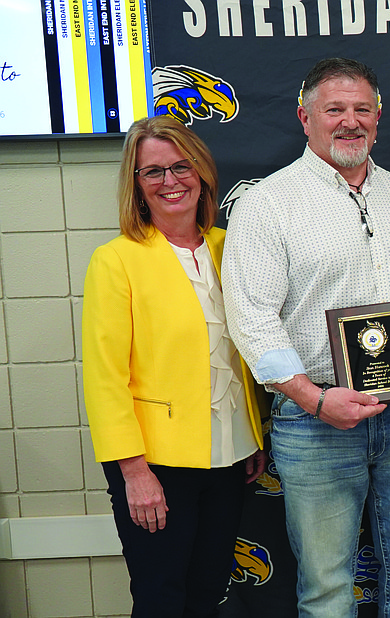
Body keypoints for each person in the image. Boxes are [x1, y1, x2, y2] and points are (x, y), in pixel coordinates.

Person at [221, 58, 390, 617]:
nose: (350, 122)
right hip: (315, 416)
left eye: (362, 109)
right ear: (305, 118)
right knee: (327, 586)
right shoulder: (268, 203)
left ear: (378, 118)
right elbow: (252, 315)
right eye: (335, 110)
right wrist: (313, 398)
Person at [82, 115, 266, 618]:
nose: (170, 182)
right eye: (153, 172)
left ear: (202, 172)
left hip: (231, 455)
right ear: (136, 186)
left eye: (181, 167)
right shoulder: (116, 261)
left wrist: (250, 432)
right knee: (163, 597)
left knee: (208, 592)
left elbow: (248, 346)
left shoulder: (232, 246)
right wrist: (133, 472)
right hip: (156, 465)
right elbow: (104, 378)